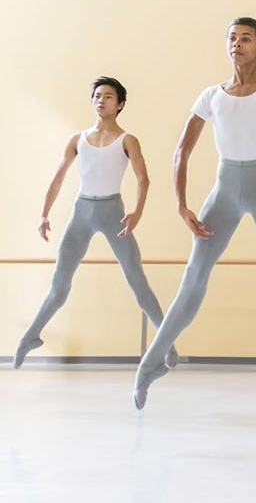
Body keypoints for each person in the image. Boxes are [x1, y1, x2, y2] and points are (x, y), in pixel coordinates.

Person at [133, 17, 256, 409]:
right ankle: (149, 365)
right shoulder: (211, 96)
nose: (237, 44)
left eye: (246, 39)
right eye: (232, 37)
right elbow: (182, 151)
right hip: (223, 195)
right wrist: (181, 204)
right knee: (192, 282)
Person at [15, 77, 176, 370]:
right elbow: (59, 176)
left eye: (109, 96)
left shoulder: (128, 140)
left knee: (137, 281)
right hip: (82, 211)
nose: (102, 100)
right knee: (59, 286)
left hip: (113, 211)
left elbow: (144, 178)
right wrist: (44, 213)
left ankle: (167, 342)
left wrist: (137, 212)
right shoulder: (77, 139)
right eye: (98, 96)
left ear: (120, 104)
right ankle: (31, 335)